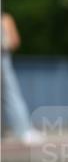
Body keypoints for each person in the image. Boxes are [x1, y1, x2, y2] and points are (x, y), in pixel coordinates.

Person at [1, 12, 44, 145]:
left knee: (10, 93)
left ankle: (23, 130)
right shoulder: (4, 19)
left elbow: (14, 42)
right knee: (11, 94)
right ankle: (23, 130)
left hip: (3, 58)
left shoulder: (4, 19)